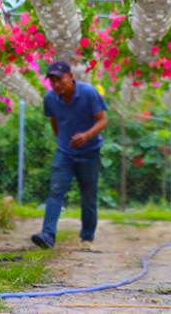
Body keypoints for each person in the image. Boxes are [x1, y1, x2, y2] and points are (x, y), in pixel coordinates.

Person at [31, 60, 108, 249]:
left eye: (60, 79)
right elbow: (54, 121)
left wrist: (86, 135)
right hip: (65, 152)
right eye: (52, 80)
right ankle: (48, 235)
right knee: (56, 191)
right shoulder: (50, 99)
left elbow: (103, 120)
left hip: (90, 152)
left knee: (88, 196)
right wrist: (62, 141)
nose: (56, 84)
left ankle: (87, 237)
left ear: (70, 77)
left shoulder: (89, 93)